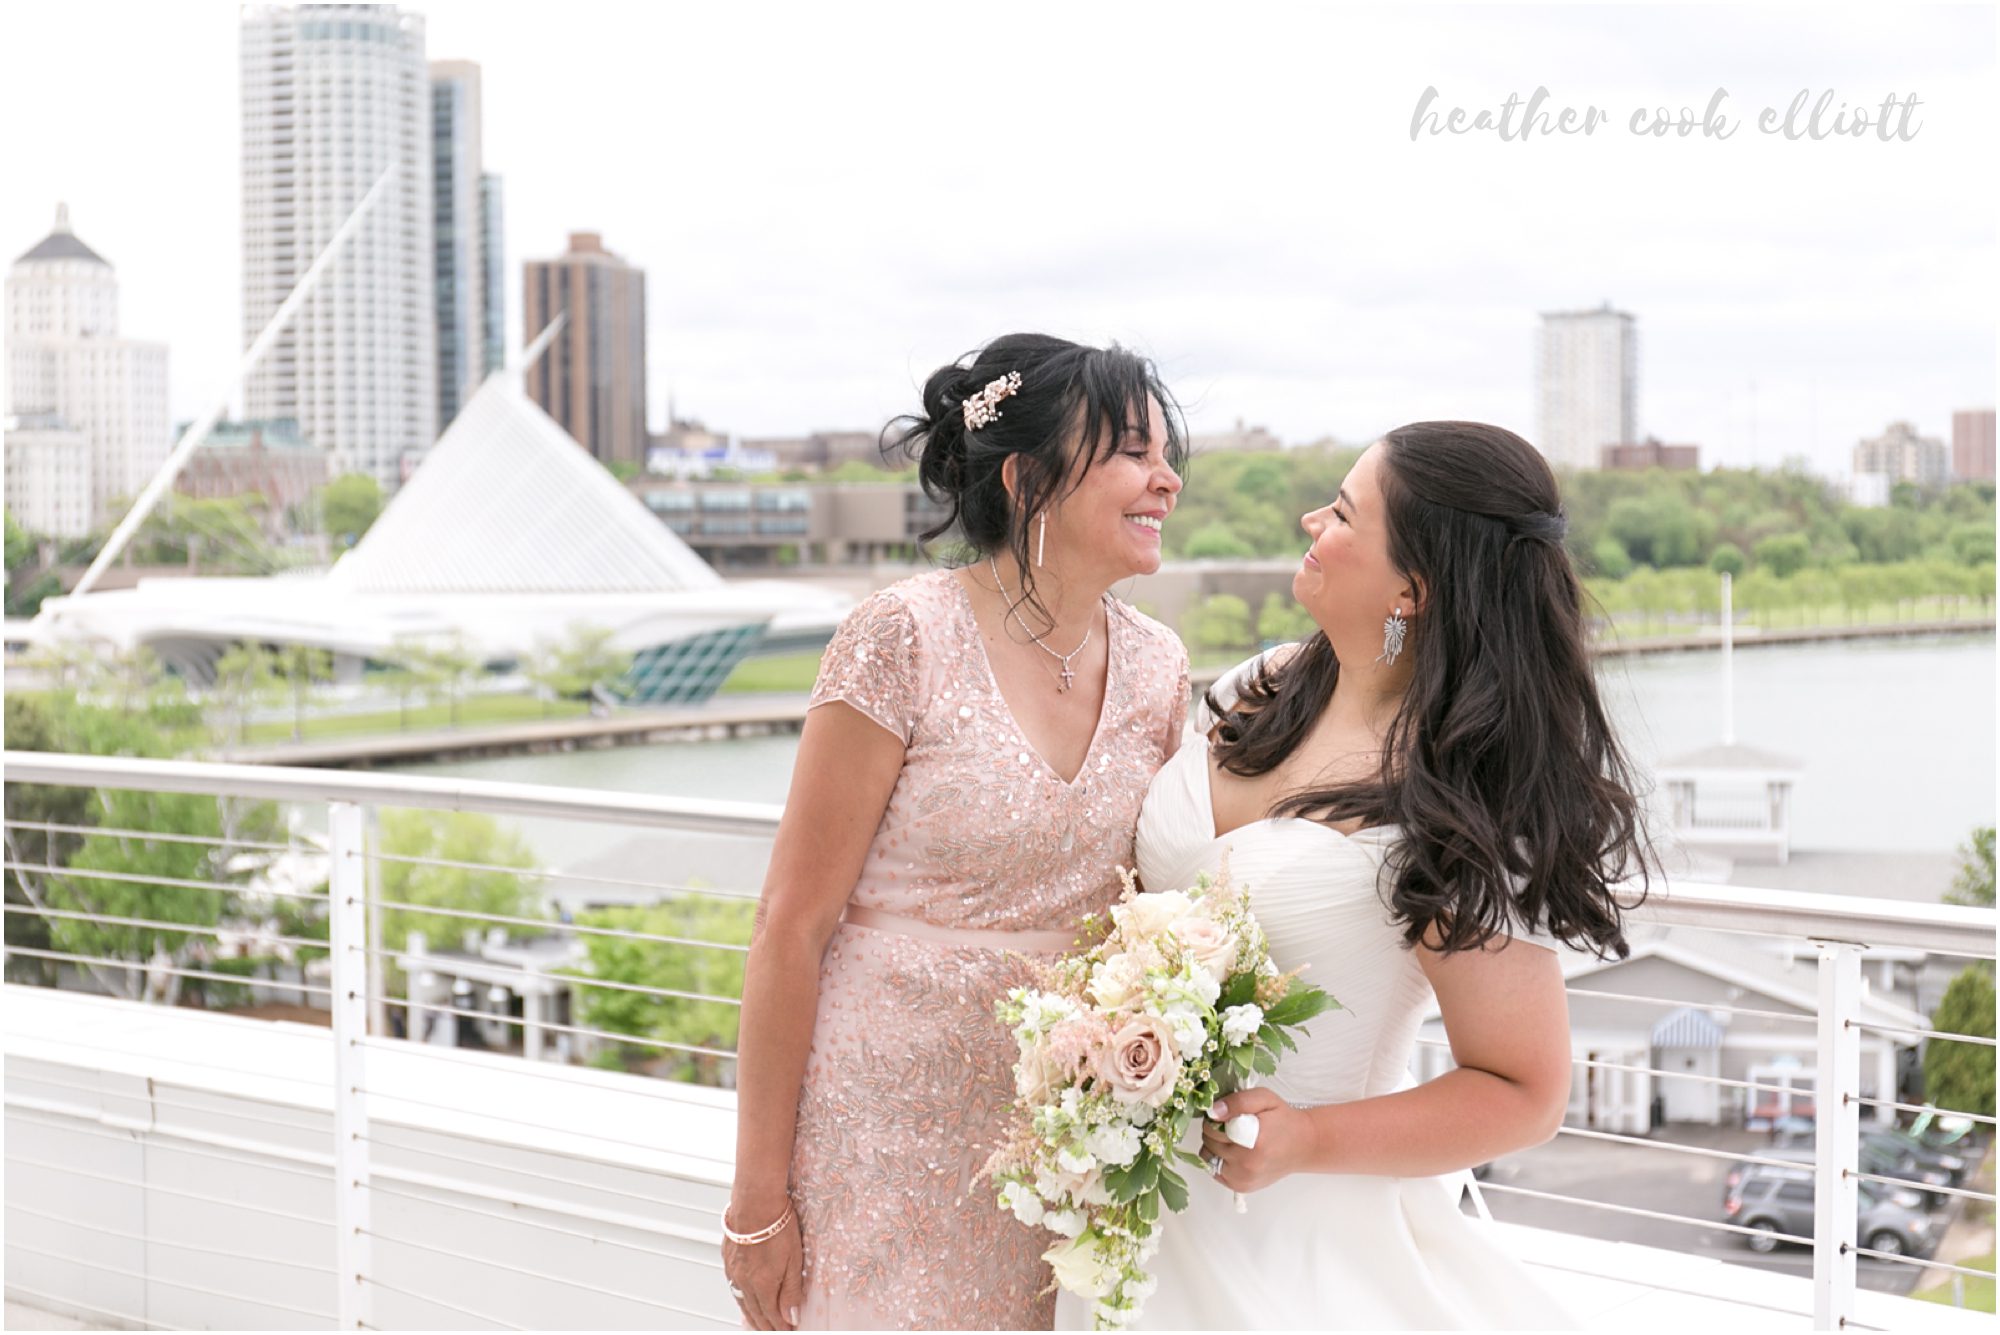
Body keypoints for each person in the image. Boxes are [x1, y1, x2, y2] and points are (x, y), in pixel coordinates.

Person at [1069, 421, 1650, 1329]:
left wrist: (1304, 1138)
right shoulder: (1262, 688)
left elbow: (1525, 1091)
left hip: (1304, 1238)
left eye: (1341, 512)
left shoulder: (1459, 793)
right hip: (1137, 1209)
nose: (1310, 519)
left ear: (1411, 589)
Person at [724, 334, 1191, 1331]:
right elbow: (790, 926)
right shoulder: (900, 635)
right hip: (880, 1140)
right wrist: (758, 1200)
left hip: (1068, 1143)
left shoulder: (1159, 668)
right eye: (1132, 453)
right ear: (1025, 479)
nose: (1167, 479)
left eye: (1164, 454)